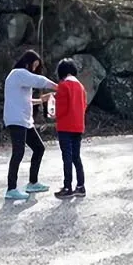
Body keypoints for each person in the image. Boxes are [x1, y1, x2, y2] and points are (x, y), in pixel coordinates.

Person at [3, 51, 57, 201]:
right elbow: (39, 81)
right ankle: (11, 189)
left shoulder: (20, 78)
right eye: (34, 65)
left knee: (39, 148)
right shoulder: (18, 73)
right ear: (28, 62)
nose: (34, 68)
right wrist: (58, 87)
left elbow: (26, 100)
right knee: (18, 152)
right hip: (16, 120)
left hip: (24, 121)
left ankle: (33, 182)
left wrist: (41, 100)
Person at [53, 59, 88, 199]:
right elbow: (84, 106)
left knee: (66, 157)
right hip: (78, 126)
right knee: (76, 157)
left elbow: (60, 109)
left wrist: (53, 111)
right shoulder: (81, 87)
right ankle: (80, 186)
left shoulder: (63, 86)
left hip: (65, 126)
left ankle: (67, 186)